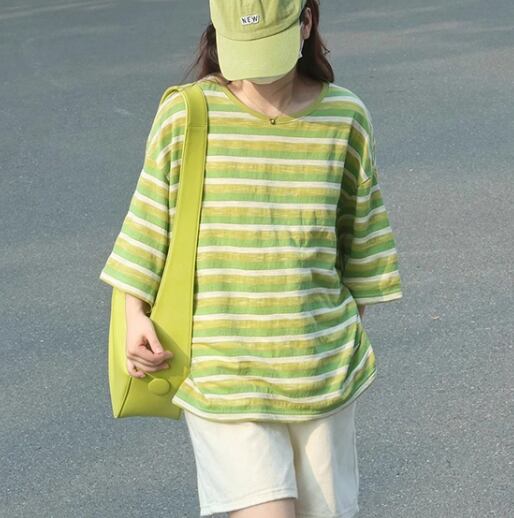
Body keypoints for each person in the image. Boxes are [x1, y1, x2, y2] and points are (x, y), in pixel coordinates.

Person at [99, 0, 403, 516]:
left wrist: (340, 333)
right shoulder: (189, 114)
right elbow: (149, 220)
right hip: (224, 372)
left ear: (306, 23)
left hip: (320, 371)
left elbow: (361, 240)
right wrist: (134, 314)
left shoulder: (344, 118)